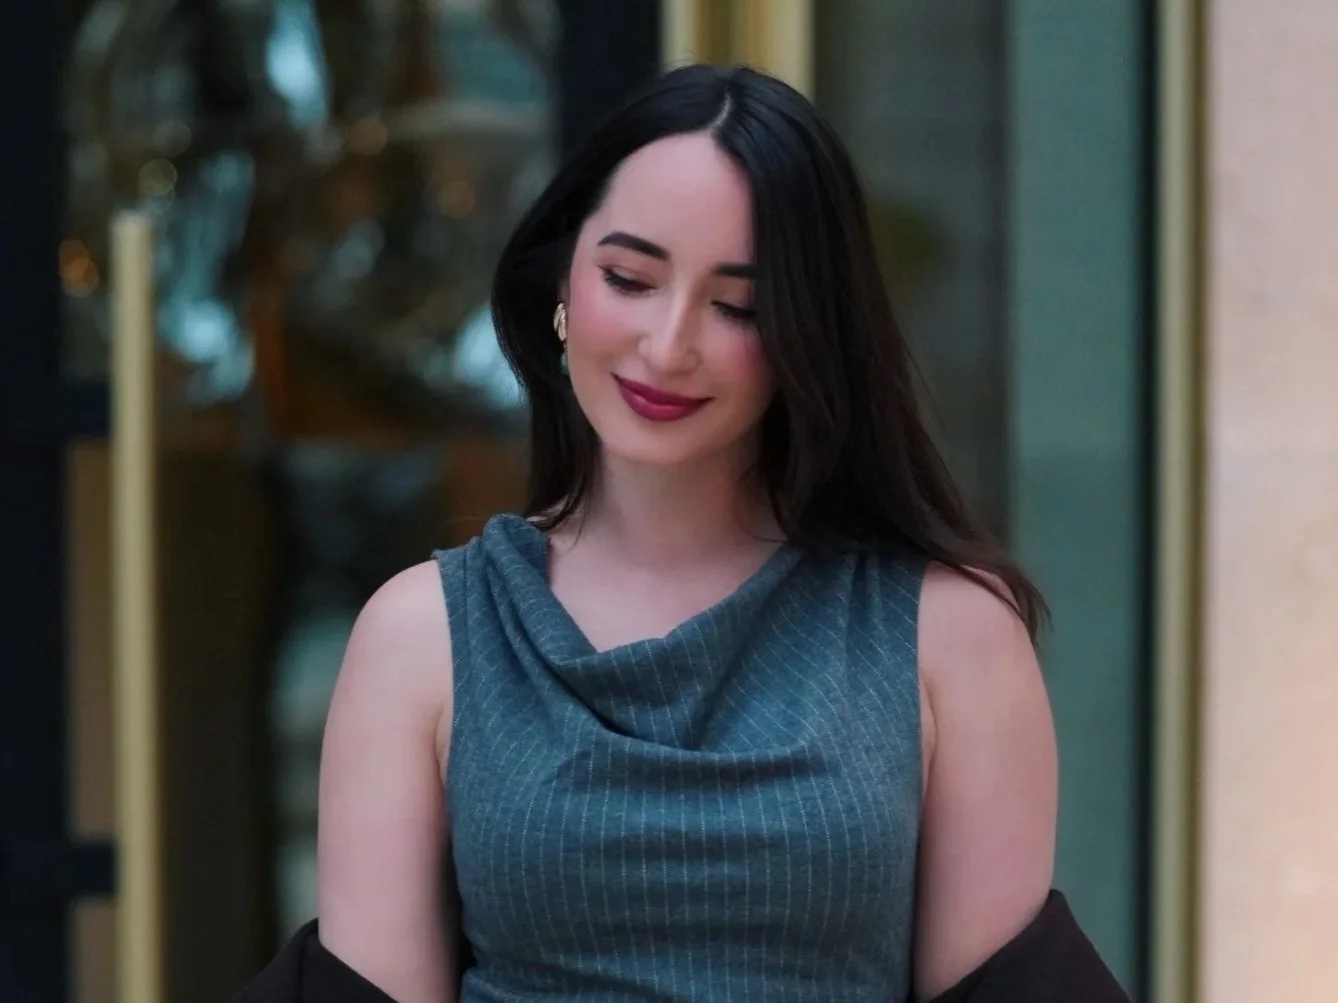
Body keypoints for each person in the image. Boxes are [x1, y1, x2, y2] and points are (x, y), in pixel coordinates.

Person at [235, 63, 1127, 1003]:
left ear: (807, 335)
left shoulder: (951, 635)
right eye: (629, 278)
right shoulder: (422, 636)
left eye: (737, 305)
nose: (668, 347)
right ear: (562, 283)